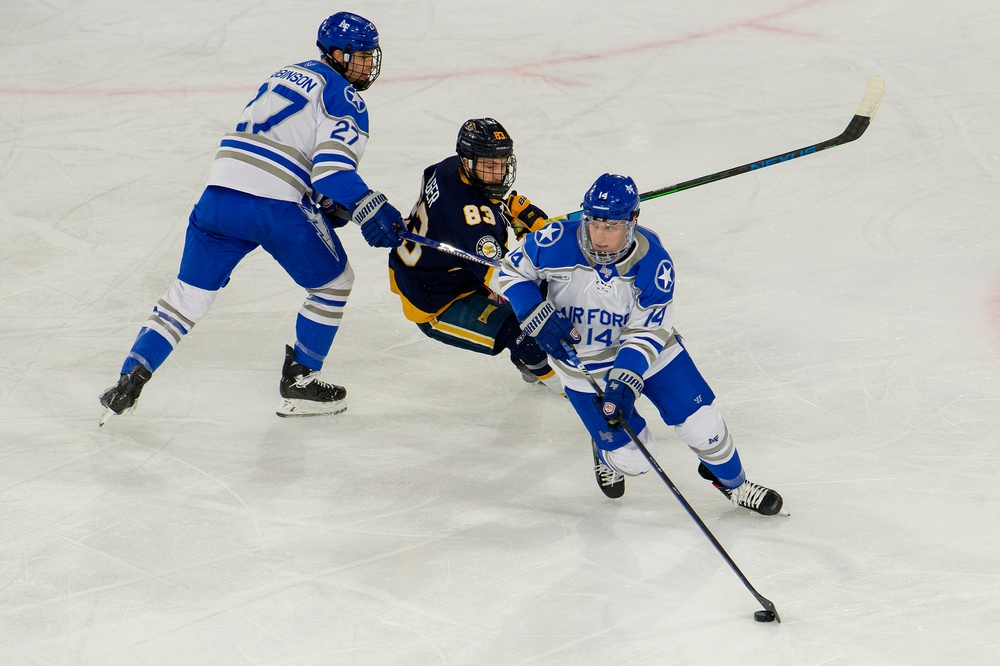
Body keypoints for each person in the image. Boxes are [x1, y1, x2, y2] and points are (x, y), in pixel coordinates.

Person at [99, 11, 404, 423]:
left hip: (217, 198)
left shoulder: (286, 73)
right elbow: (331, 170)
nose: (368, 64)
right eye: (360, 56)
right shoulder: (346, 96)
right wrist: (370, 205)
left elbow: (292, 150)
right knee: (336, 283)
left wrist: (326, 202)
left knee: (186, 296)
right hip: (273, 204)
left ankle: (130, 378)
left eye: (371, 55)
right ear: (335, 54)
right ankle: (300, 381)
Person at [498, 173, 783, 515]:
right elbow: (511, 271)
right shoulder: (555, 239)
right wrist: (534, 312)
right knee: (635, 459)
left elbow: (647, 331)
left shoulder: (653, 261)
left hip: (654, 356)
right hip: (583, 364)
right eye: (594, 224)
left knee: (703, 425)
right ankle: (605, 450)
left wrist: (625, 377)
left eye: (612, 227)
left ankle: (734, 485)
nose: (600, 237)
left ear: (632, 222)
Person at [388, 118, 559, 390]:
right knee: (526, 332)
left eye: (501, 164)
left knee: (530, 318)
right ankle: (566, 388)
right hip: (436, 299)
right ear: (468, 160)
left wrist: (503, 212)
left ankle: (530, 362)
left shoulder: (447, 168)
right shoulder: (473, 221)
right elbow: (511, 277)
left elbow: (468, 207)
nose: (498, 173)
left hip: (428, 270)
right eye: (489, 166)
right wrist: (532, 235)